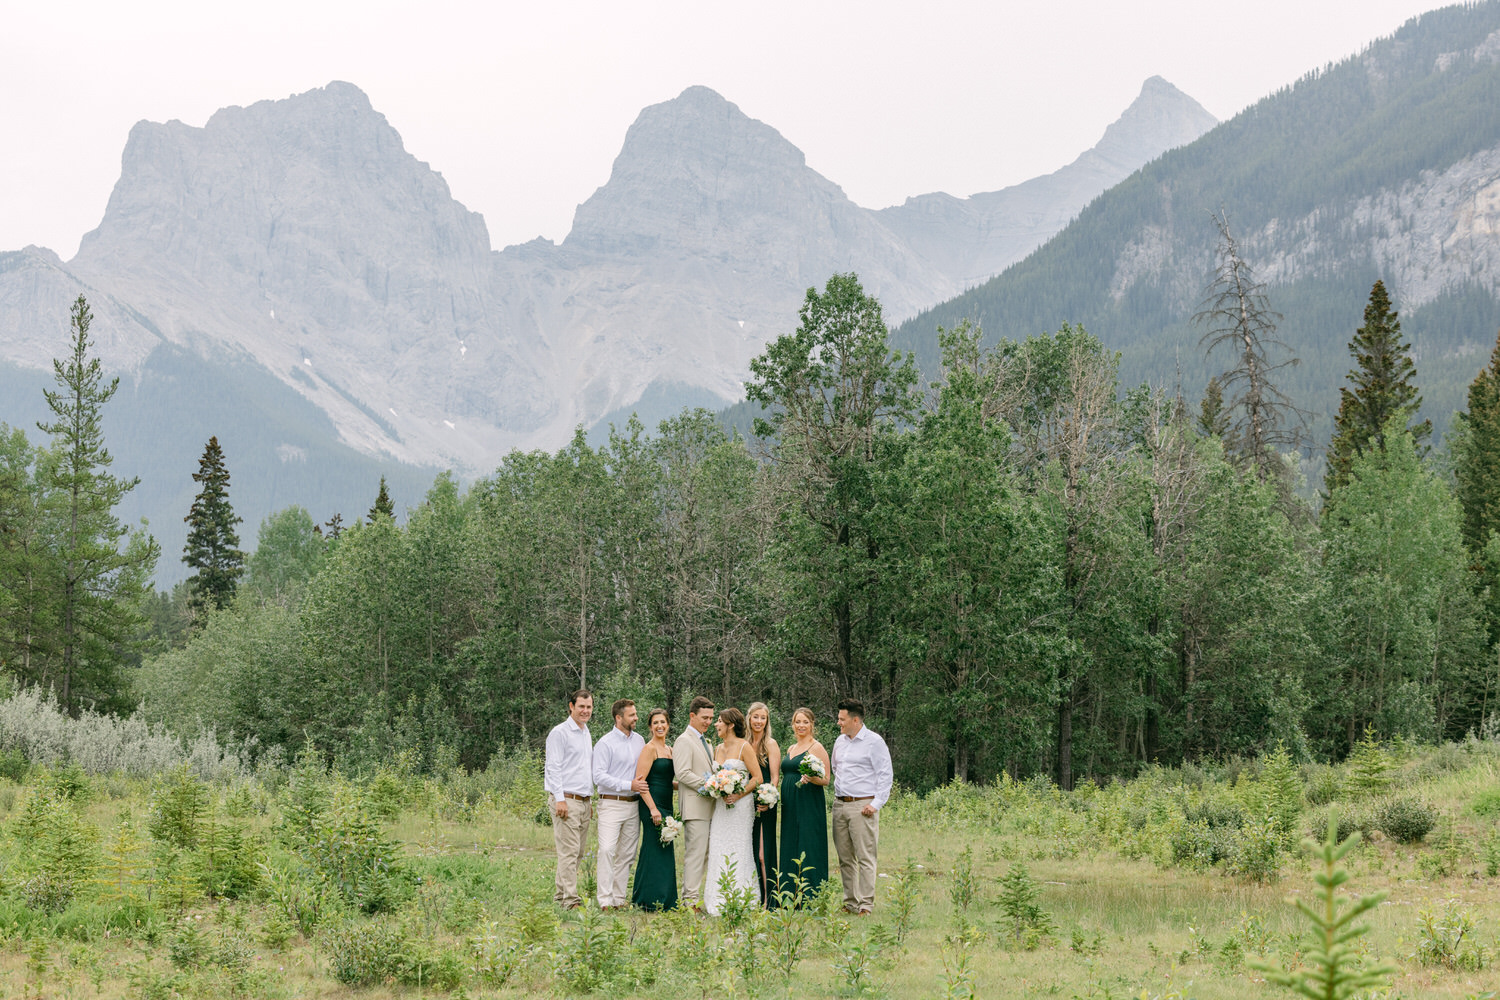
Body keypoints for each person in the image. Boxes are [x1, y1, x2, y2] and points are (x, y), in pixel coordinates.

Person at [830, 698, 892, 915]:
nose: (839, 723)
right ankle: (851, 902)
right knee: (845, 857)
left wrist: (875, 804)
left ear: (855, 720)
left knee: (865, 856)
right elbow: (835, 768)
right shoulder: (840, 741)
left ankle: (866, 904)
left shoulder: (874, 742)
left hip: (862, 805)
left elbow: (885, 774)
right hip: (840, 804)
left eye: (842, 719)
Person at [703, 706, 763, 915]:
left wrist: (738, 794)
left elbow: (757, 778)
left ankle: (743, 896)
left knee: (739, 846)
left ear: (729, 725)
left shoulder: (744, 746)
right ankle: (718, 897)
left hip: (741, 806)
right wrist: (715, 787)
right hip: (721, 806)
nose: (716, 724)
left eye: (719, 721)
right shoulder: (717, 749)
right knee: (719, 845)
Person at [591, 698, 645, 910]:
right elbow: (598, 776)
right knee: (606, 850)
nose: (636, 718)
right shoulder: (605, 743)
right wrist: (627, 784)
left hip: (634, 804)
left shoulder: (640, 740)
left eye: (635, 713)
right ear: (618, 717)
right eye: (631, 715)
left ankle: (618, 899)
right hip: (611, 804)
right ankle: (604, 900)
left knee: (627, 854)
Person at [544, 689, 594, 909]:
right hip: (566, 799)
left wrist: (589, 800)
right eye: (581, 706)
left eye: (589, 707)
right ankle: (571, 901)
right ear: (571, 706)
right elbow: (553, 767)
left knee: (577, 852)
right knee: (569, 851)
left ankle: (560, 895)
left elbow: (584, 769)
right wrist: (559, 799)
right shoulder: (560, 732)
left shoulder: (585, 732)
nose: (585, 711)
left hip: (583, 800)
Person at [778, 706, 831, 903]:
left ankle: (811, 894)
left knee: (808, 842)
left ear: (812, 725)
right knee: (791, 841)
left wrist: (812, 778)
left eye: (805, 722)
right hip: (790, 803)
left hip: (808, 801)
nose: (801, 725)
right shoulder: (791, 748)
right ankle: (790, 894)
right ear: (793, 724)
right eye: (797, 722)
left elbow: (826, 779)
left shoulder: (816, 747)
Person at [630, 708, 678, 911]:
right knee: (653, 847)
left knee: (666, 849)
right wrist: (653, 809)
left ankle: (666, 899)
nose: (660, 726)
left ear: (668, 725)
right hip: (652, 804)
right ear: (650, 727)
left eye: (663, 722)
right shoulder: (649, 749)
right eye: (655, 723)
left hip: (667, 803)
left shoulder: (671, 750)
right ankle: (646, 899)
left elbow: (669, 780)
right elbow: (641, 783)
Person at [672, 696, 717, 910]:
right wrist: (711, 785)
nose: (708, 722)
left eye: (711, 718)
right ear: (692, 716)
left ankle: (698, 898)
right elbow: (682, 774)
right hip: (695, 806)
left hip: (710, 807)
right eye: (704, 717)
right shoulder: (684, 740)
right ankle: (689, 901)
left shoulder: (706, 742)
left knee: (706, 854)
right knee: (695, 855)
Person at [747, 702, 780, 907]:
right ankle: (754, 897)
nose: (759, 721)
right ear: (749, 718)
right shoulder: (743, 742)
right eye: (756, 717)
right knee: (748, 851)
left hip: (764, 803)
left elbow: (775, 777)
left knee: (762, 853)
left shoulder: (771, 744)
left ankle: (769, 900)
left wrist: (768, 798)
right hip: (744, 801)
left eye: (763, 718)